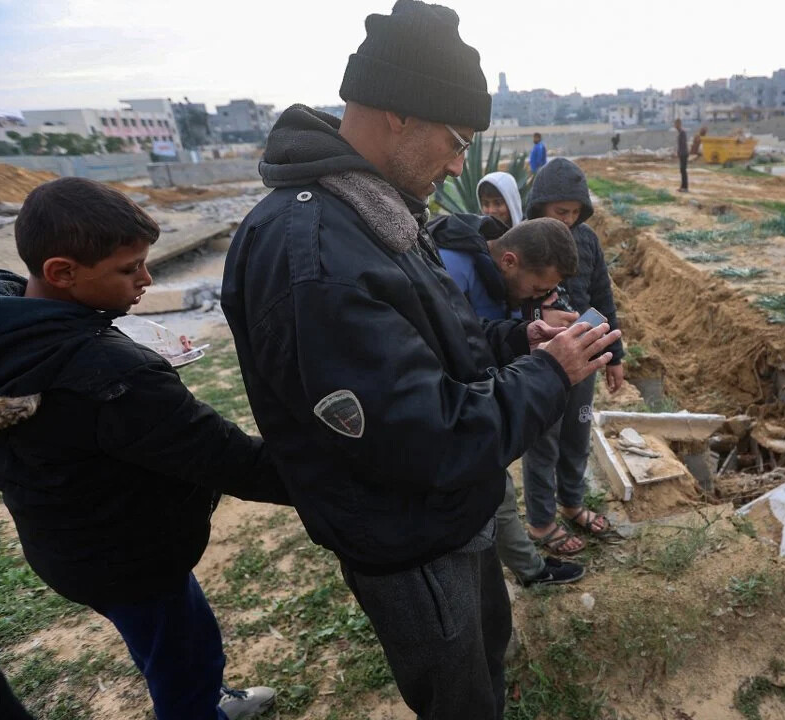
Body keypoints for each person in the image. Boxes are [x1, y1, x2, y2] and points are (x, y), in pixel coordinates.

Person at [219, 3, 620, 718]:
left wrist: (515, 343)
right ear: (397, 114)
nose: (461, 163)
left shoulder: (373, 211)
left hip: (443, 518)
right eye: (456, 139)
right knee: (459, 699)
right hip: (410, 542)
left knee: (482, 667)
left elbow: (432, 347)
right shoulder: (316, 252)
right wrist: (552, 371)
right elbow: (426, 437)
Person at [0, 177, 284, 720]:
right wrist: (340, 472)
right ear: (61, 272)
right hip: (130, 555)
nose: (146, 278)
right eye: (128, 268)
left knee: (167, 636)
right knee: (185, 659)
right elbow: (234, 461)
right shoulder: (113, 378)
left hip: (68, 543)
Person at [433, 214, 586, 587]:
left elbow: (478, 329)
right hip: (455, 405)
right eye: (536, 288)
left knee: (495, 493)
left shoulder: (490, 269)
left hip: (479, 393)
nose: (537, 296)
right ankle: (529, 572)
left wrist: (528, 325)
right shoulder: (452, 268)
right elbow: (449, 343)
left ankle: (525, 567)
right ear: (510, 261)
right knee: (494, 493)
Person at [522, 157, 625, 555]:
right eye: (558, 212)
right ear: (539, 209)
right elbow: (512, 301)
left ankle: (572, 501)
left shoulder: (588, 241)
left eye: (574, 213)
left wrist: (614, 355)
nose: (567, 220)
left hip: (586, 358)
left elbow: (602, 297)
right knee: (542, 442)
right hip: (544, 361)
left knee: (577, 434)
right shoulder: (527, 242)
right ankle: (541, 522)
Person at [675, 118, 690, 192]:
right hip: (682, 154)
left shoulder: (682, 132)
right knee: (682, 170)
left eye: (676, 124)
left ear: (679, 124)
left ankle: (685, 187)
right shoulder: (680, 133)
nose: (675, 126)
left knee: (683, 170)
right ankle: (682, 186)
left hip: (684, 154)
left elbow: (683, 145)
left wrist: (680, 152)